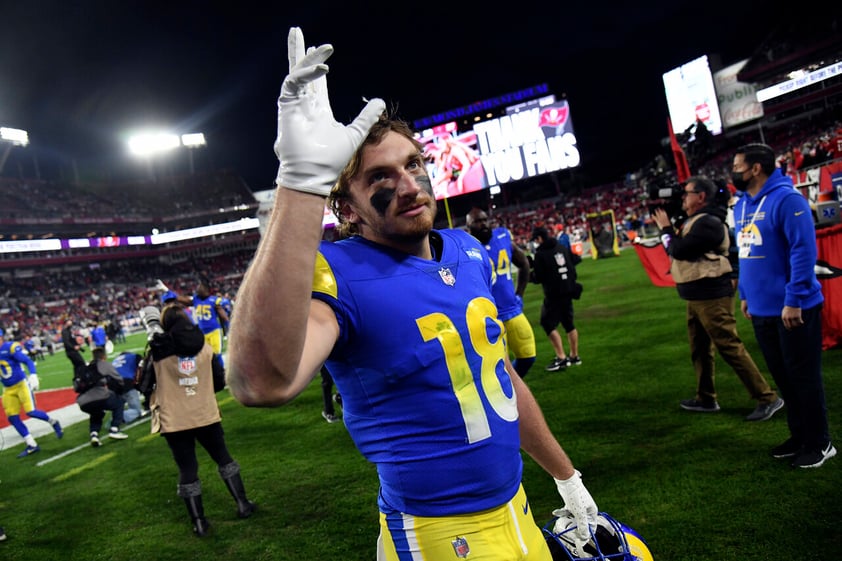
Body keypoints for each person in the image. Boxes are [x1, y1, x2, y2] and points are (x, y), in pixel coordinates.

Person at [227, 27, 598, 561]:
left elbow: (500, 375)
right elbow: (259, 383)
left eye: (413, 165)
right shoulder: (340, 273)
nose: (407, 185)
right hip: (439, 535)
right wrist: (302, 180)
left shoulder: (466, 249)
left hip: (518, 510)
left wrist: (566, 478)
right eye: (380, 176)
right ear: (348, 209)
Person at [732, 142, 835, 469]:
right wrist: (746, 294)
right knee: (784, 378)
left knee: (804, 376)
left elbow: (803, 251)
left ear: (756, 168)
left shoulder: (789, 200)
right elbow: (744, 253)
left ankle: (820, 442)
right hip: (761, 310)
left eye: (738, 166)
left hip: (794, 309)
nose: (734, 172)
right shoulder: (741, 206)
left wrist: (794, 299)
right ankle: (799, 435)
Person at [652, 175, 784, 421]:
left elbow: (678, 249)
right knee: (700, 348)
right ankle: (706, 397)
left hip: (710, 294)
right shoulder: (698, 220)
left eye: (688, 193)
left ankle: (767, 398)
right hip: (698, 294)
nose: (683, 197)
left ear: (701, 197)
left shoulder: (708, 222)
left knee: (728, 345)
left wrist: (666, 229)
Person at [147, 303, 255, 537]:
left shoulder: (157, 349)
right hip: (205, 413)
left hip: (174, 419)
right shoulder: (204, 346)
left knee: (187, 469)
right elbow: (219, 382)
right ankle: (243, 503)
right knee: (223, 458)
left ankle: (199, 522)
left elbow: (143, 385)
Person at [465, 207, 537, 378]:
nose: (482, 224)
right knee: (493, 366)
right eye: (477, 221)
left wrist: (519, 294)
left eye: (484, 220)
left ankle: (511, 386)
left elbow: (524, 263)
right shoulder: (466, 247)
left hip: (512, 310)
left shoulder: (502, 237)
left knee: (528, 356)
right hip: (486, 318)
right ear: (468, 227)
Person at [530, 226, 583, 371]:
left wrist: (530, 276)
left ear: (539, 238)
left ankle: (561, 358)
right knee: (569, 324)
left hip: (554, 294)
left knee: (547, 323)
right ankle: (574, 356)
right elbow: (574, 263)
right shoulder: (561, 247)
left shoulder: (541, 253)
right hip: (568, 290)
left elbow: (538, 277)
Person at [0, 335, 63, 457]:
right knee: (12, 418)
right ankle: (32, 444)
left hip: (21, 385)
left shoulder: (9, 347)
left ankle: (53, 422)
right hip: (8, 389)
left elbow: (27, 360)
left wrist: (33, 374)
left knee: (31, 412)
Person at [76, 347, 129, 446]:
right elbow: (119, 380)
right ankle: (114, 429)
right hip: (99, 395)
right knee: (119, 402)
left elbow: (76, 386)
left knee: (97, 413)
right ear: (104, 356)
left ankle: (94, 435)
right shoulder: (104, 365)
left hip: (83, 401)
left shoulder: (85, 368)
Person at [176, 277, 228, 363]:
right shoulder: (196, 299)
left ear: (206, 289)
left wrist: (228, 326)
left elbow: (224, 317)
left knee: (216, 355)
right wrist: (168, 291)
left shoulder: (214, 300)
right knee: (205, 356)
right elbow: (182, 300)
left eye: (200, 286)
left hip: (214, 331)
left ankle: (221, 374)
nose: (198, 288)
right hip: (202, 333)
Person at [111, 350, 145, 422]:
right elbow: (143, 369)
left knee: (120, 405)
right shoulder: (134, 357)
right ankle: (117, 418)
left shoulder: (114, 361)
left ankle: (118, 416)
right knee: (136, 411)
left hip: (112, 386)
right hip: (126, 382)